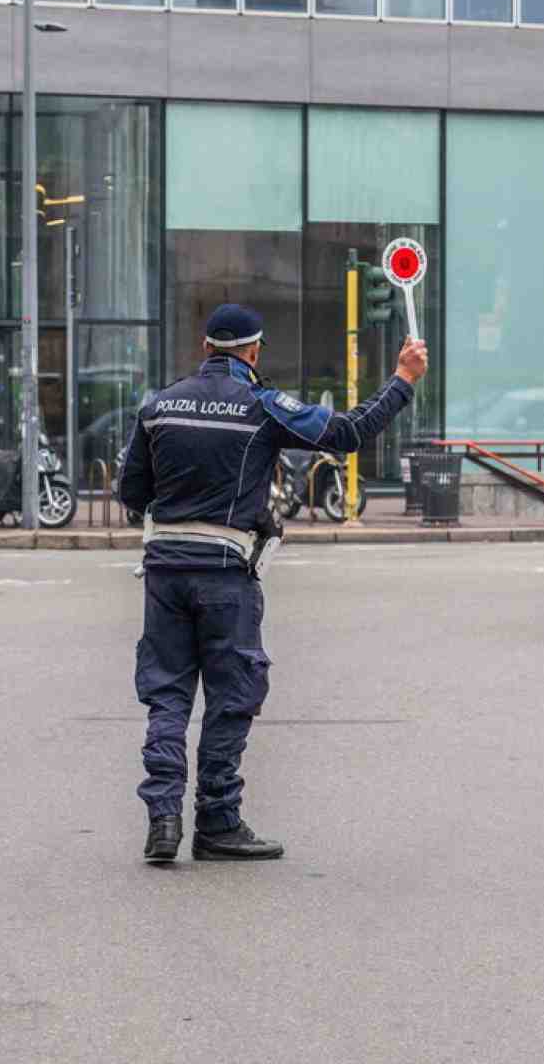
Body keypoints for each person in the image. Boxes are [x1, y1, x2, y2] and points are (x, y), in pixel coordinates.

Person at [116, 304, 427, 863]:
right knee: (231, 697)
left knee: (167, 698)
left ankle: (162, 822)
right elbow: (348, 433)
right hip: (225, 576)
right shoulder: (262, 405)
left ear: (205, 347)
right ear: (254, 352)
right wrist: (403, 378)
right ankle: (217, 823)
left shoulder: (159, 405)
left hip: (164, 574)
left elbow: (131, 493)